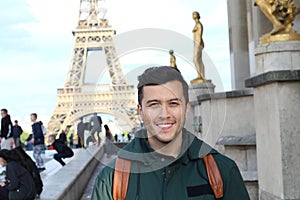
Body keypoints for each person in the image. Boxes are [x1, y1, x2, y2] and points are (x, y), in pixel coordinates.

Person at [92, 66, 250, 199]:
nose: (164, 114)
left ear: (186, 108)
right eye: (154, 104)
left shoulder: (222, 171)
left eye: (173, 103)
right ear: (140, 111)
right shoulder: (112, 180)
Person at [191, 11, 206, 83]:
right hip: (196, 43)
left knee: (195, 59)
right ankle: (200, 75)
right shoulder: (197, 24)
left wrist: (199, 44)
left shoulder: (199, 24)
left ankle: (200, 76)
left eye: (194, 14)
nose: (193, 15)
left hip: (198, 43)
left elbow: (199, 35)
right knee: (198, 60)